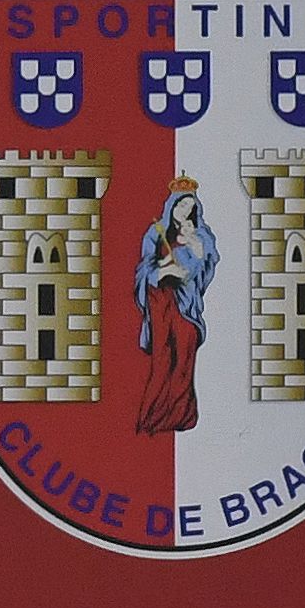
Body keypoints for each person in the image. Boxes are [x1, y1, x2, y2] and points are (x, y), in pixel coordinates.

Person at [133, 176, 217, 435]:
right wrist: (163, 271)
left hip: (186, 306)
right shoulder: (156, 232)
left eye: (190, 206)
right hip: (161, 302)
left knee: (184, 359)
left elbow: (206, 269)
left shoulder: (201, 234)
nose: (185, 210)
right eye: (181, 205)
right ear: (172, 206)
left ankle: (182, 416)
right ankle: (153, 418)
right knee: (162, 360)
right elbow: (143, 270)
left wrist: (197, 249)